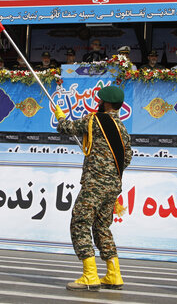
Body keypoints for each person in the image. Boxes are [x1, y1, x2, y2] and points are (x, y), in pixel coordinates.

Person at [54, 86, 132, 291]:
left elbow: (68, 128)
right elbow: (128, 157)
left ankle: (90, 275)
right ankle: (113, 274)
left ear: (105, 103)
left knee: (79, 221)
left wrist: (60, 116)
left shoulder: (95, 120)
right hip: (113, 186)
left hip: (95, 184)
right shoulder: (122, 127)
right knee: (101, 227)